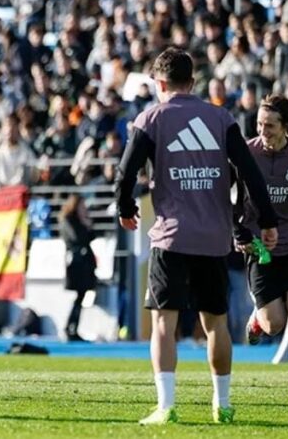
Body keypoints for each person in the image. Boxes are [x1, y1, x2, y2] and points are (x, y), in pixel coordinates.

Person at [115, 47, 278, 425]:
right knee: (215, 323)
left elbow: (126, 172)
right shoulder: (220, 117)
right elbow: (250, 172)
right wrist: (267, 220)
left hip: (171, 237)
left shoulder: (152, 118)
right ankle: (223, 404)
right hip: (213, 238)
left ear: (160, 83)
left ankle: (166, 406)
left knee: (164, 323)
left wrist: (125, 208)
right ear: (192, 82)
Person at [235, 95, 288, 396]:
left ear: (285, 126)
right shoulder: (245, 155)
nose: (263, 131)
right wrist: (238, 233)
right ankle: (259, 318)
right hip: (259, 249)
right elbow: (226, 200)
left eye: (269, 126)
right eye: (259, 125)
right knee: (275, 325)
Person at [58, 194, 96, 342]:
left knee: (81, 296)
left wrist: (87, 224)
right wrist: (85, 226)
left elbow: (91, 236)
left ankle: (73, 326)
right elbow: (76, 238)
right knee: (78, 296)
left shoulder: (81, 220)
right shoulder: (68, 220)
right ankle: (70, 327)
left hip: (85, 262)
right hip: (76, 263)